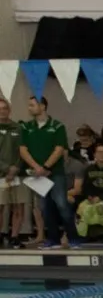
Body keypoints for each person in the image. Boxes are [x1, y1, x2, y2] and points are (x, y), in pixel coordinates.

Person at [19, 95, 73, 248]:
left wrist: (47, 167)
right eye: (29, 105)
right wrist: (37, 168)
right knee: (44, 207)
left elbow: (59, 148)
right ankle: (53, 239)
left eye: (32, 105)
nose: (29, 108)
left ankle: (73, 236)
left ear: (43, 106)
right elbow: (23, 150)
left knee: (61, 204)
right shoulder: (26, 127)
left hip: (55, 172)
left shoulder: (57, 126)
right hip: (37, 175)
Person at [0, 99, 32, 246]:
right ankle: (1, 234)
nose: (2, 111)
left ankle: (14, 236)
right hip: (1, 175)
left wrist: (16, 168)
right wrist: (7, 169)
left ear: (9, 110)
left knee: (19, 206)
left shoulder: (18, 128)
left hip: (17, 174)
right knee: (1, 206)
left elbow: (23, 150)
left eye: (5, 108)